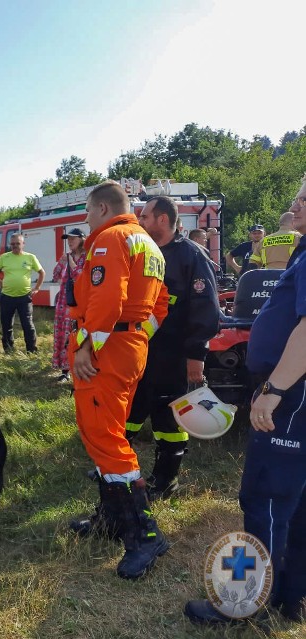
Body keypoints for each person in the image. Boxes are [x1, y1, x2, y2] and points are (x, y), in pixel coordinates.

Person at [185, 179, 306, 625]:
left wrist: (273, 391)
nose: (293, 206)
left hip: (292, 394)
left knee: (267, 498)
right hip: (294, 391)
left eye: (303, 200)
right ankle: (292, 595)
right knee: (297, 501)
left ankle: (246, 605)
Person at [67, 181, 170, 580]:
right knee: (110, 433)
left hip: (106, 352)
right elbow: (160, 304)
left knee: (105, 439)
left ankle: (144, 535)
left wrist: (86, 348)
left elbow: (107, 298)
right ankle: (112, 519)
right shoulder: (148, 243)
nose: (87, 220)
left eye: (89, 212)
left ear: (105, 208)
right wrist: (139, 334)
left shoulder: (111, 239)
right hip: (129, 348)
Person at [125, 197, 219, 500]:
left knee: (168, 418)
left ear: (163, 219)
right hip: (140, 351)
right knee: (132, 408)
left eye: (145, 217)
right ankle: (118, 470)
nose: (140, 222)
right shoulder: (145, 252)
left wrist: (196, 356)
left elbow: (205, 310)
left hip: (174, 354)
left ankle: (165, 480)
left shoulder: (190, 256)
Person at [0, 233, 45, 354]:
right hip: (7, 297)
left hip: (24, 297)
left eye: (17, 243)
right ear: (9, 245)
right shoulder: (5, 257)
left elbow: (41, 272)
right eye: (12, 244)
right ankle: (9, 350)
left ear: (23, 244)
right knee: (6, 325)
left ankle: (31, 351)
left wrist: (37, 288)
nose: (15, 246)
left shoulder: (30, 257)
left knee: (27, 325)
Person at [51, 228, 86, 383]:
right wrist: (63, 284)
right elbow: (55, 274)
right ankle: (65, 370)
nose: (70, 242)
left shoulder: (86, 257)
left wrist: (70, 262)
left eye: (73, 239)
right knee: (62, 334)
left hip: (78, 304)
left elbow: (80, 275)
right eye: (68, 239)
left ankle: (75, 367)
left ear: (81, 239)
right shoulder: (65, 257)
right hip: (63, 303)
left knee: (73, 335)